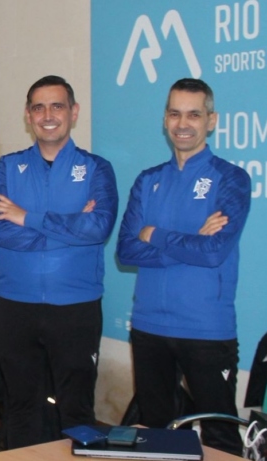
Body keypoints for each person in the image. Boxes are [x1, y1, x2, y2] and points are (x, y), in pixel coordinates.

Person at [117, 78, 250, 456]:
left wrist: (155, 234)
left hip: (206, 330)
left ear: (212, 120)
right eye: (175, 114)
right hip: (149, 328)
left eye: (194, 114)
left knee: (221, 439)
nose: (183, 123)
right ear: (165, 119)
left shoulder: (231, 179)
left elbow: (213, 252)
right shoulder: (148, 180)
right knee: (156, 436)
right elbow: (126, 251)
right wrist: (190, 240)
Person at [0, 75, 118, 449]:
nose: (48, 115)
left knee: (77, 410)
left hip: (76, 307)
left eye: (57, 106)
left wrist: (27, 217)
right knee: (20, 408)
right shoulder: (8, 167)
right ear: (28, 115)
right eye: (39, 107)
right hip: (15, 306)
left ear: (73, 112)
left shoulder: (96, 168)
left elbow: (98, 227)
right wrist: (70, 228)